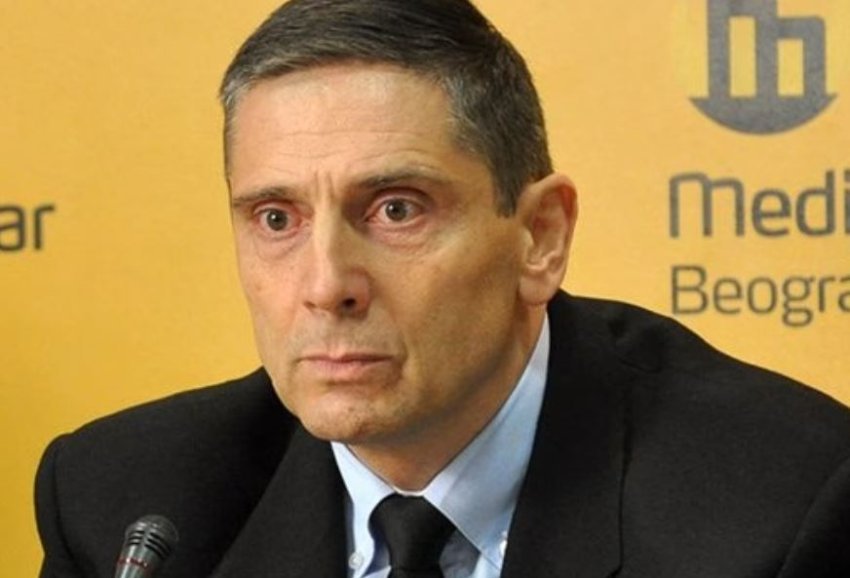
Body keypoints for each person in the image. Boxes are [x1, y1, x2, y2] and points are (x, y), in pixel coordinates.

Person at [35, 1, 850, 577]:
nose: (326, 284)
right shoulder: (128, 505)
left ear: (540, 237)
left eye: (396, 209)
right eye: (276, 219)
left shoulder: (784, 507)